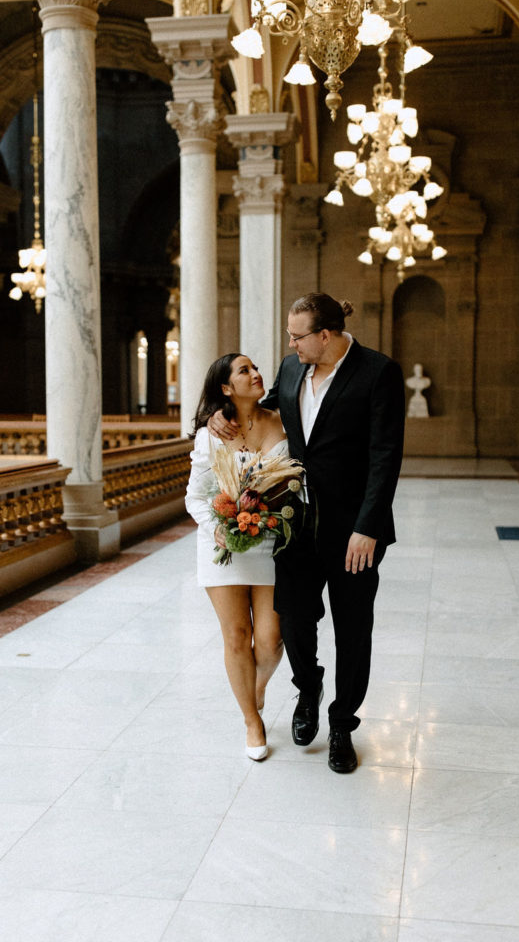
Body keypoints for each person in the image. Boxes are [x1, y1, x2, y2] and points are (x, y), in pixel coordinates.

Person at [209, 294, 405, 774]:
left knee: (353, 630)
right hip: (293, 523)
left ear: (327, 335)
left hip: (353, 531)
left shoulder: (378, 373)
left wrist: (368, 527)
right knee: (294, 622)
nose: (289, 343)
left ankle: (342, 725)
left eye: (298, 336)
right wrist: (222, 411)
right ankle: (309, 688)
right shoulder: (293, 367)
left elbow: (386, 455)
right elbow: (267, 407)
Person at [185, 353, 287, 761]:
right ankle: (251, 719)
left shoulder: (280, 421)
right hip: (221, 543)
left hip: (270, 540)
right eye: (244, 371)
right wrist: (219, 532)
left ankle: (257, 686)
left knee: (270, 639)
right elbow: (195, 497)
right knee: (236, 637)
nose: (256, 374)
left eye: (255, 367)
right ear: (226, 387)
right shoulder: (211, 434)